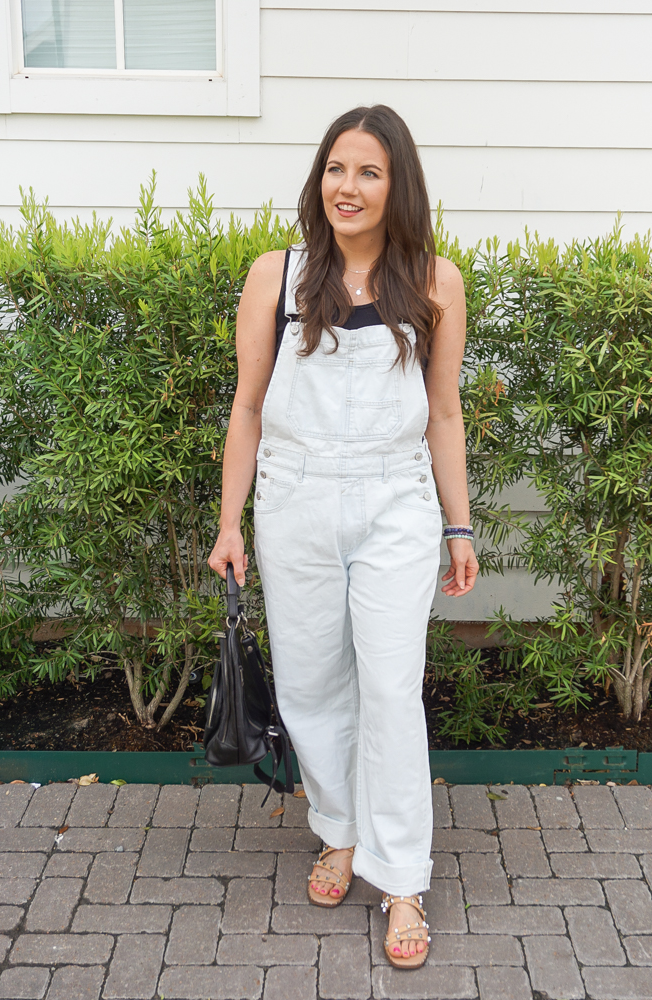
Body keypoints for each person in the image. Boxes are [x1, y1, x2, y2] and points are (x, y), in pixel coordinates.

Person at [208, 104, 478, 970]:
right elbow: (248, 408)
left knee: (391, 689)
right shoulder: (275, 276)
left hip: (397, 506)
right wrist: (229, 524)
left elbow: (442, 412)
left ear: (398, 186)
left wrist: (458, 521)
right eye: (335, 169)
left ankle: (402, 878)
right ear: (317, 178)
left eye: (368, 172)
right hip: (295, 503)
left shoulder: (436, 280)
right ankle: (340, 831)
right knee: (314, 685)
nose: (347, 188)